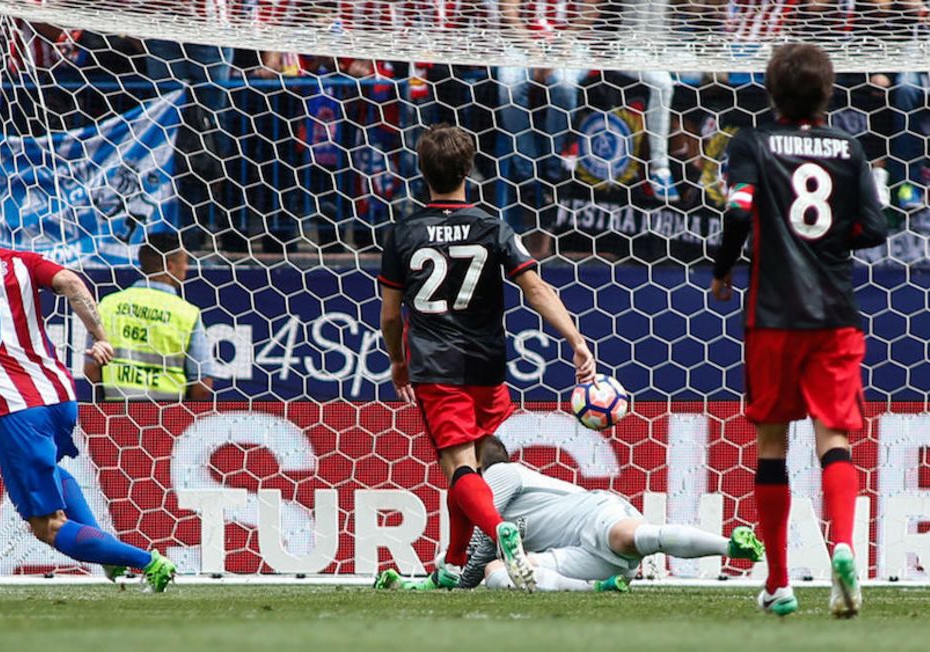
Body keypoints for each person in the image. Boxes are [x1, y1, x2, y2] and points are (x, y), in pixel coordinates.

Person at [0, 186, 177, 592]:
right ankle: (111, 557)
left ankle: (146, 562)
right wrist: (99, 335)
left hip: (14, 409)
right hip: (60, 396)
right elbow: (71, 283)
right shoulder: (21, 262)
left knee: (46, 526)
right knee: (56, 473)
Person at [379, 124, 596, 592]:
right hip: (486, 362)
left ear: (422, 172)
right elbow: (535, 288)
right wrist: (575, 339)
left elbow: (391, 316)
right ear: (470, 168)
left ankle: (500, 532)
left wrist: (398, 359)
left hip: (438, 364)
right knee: (472, 465)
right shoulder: (492, 225)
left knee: (458, 468)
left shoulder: (404, 233)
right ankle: (454, 565)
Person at [711, 43, 888, 618]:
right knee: (833, 438)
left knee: (772, 444)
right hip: (835, 315)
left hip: (774, 315)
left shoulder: (751, 144)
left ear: (770, 91)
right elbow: (877, 227)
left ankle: (780, 583)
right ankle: (842, 545)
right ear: (828, 93)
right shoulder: (850, 147)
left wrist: (723, 269)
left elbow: (738, 209)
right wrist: (831, 242)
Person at [375, 437, 765, 592]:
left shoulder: (500, 474)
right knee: (501, 573)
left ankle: (730, 545)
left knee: (626, 537)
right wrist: (443, 572)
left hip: (591, 516)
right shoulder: (486, 490)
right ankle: (600, 590)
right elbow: (482, 559)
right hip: (577, 560)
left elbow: (481, 541)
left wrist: (453, 582)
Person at [84, 232, 215, 401]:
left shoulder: (108, 306)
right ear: (169, 265)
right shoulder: (187, 314)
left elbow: (91, 371)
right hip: (171, 420)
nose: (187, 267)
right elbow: (202, 386)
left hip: (116, 417)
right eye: (185, 261)